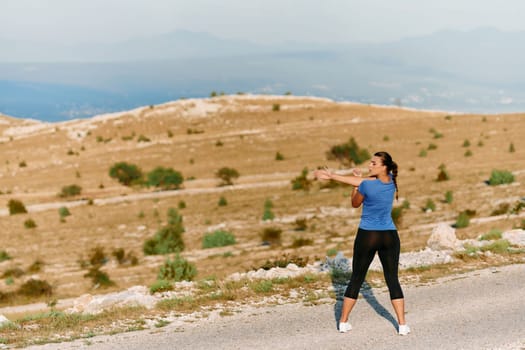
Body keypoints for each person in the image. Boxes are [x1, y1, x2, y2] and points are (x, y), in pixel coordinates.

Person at [314, 151, 410, 336]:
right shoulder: (391, 180)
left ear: (383, 167)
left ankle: (343, 322)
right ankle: (402, 325)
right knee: (392, 280)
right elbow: (365, 180)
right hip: (389, 236)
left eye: (373, 163)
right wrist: (357, 180)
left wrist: (334, 176)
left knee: (356, 278)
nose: (370, 165)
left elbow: (355, 203)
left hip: (368, 235)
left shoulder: (366, 185)